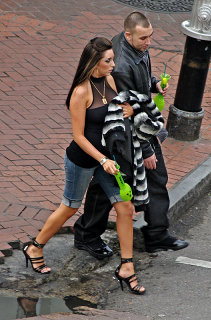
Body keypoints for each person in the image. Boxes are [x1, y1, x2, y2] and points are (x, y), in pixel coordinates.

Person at [23, 37, 146, 295]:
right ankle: (35, 246)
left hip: (107, 161)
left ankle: (127, 266)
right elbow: (79, 136)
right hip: (83, 159)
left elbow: (116, 112)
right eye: (107, 60)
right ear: (94, 63)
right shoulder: (81, 92)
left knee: (125, 207)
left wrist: (129, 111)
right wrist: (102, 159)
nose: (113, 64)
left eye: (113, 59)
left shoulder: (110, 81)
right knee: (70, 207)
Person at [73, 12, 188, 259]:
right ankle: (87, 234)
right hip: (129, 134)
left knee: (145, 180)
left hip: (138, 128)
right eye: (144, 38)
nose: (148, 42)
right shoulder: (122, 65)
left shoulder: (135, 46)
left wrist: (154, 83)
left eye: (150, 36)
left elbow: (140, 85)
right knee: (109, 185)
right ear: (128, 35)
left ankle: (155, 235)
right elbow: (125, 109)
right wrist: (146, 150)